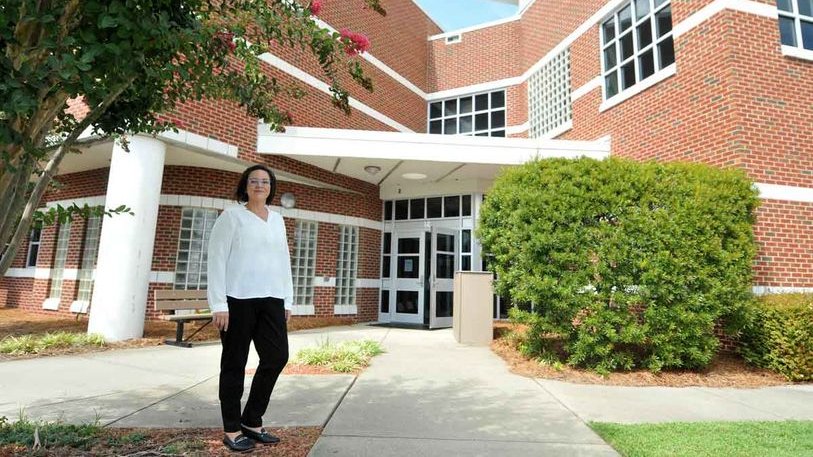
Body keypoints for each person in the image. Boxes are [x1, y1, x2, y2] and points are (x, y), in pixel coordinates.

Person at [207, 164, 294, 452]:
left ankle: (252, 419)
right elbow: (217, 260)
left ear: (271, 187)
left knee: (277, 356)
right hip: (237, 301)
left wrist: (287, 299)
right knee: (234, 363)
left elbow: (283, 261)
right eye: (254, 181)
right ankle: (232, 428)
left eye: (265, 181)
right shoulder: (232, 217)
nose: (260, 185)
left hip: (271, 299)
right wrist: (219, 303)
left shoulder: (277, 220)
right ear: (245, 186)